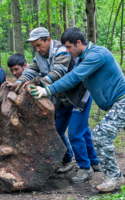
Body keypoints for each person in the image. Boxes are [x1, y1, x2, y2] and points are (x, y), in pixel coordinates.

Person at [30, 27, 125, 192]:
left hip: (122, 101)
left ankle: (114, 177)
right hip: (115, 104)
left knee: (100, 136)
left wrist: (47, 90)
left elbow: (73, 78)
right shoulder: (83, 58)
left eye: (68, 47)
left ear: (78, 42)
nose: (67, 51)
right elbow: (69, 78)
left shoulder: (97, 54)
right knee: (96, 135)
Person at [15, 27, 100, 183]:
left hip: (78, 96)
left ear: (48, 39)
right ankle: (76, 160)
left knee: (75, 133)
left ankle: (85, 168)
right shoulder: (39, 55)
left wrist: (41, 84)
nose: (37, 49)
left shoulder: (62, 50)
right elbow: (32, 69)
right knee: (58, 130)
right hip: (61, 99)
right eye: (34, 46)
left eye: (39, 45)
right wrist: (20, 81)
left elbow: (58, 72)